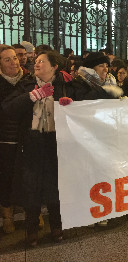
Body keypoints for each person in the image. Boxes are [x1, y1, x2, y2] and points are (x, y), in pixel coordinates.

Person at [2, 50, 74, 247]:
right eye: (36, 61)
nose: (37, 64)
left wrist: (71, 106)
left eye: (42, 61)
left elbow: (87, 107)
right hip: (32, 144)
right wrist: (32, 96)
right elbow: (8, 108)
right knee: (31, 188)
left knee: (54, 187)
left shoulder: (66, 86)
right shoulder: (26, 84)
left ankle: (57, 227)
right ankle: (31, 230)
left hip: (55, 144)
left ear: (54, 67)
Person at [0, 45, 33, 234]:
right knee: (6, 178)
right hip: (5, 138)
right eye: (7, 60)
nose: (14, 62)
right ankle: (7, 216)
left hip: (27, 136)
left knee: (29, 176)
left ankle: (33, 214)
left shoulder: (28, 79)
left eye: (15, 58)